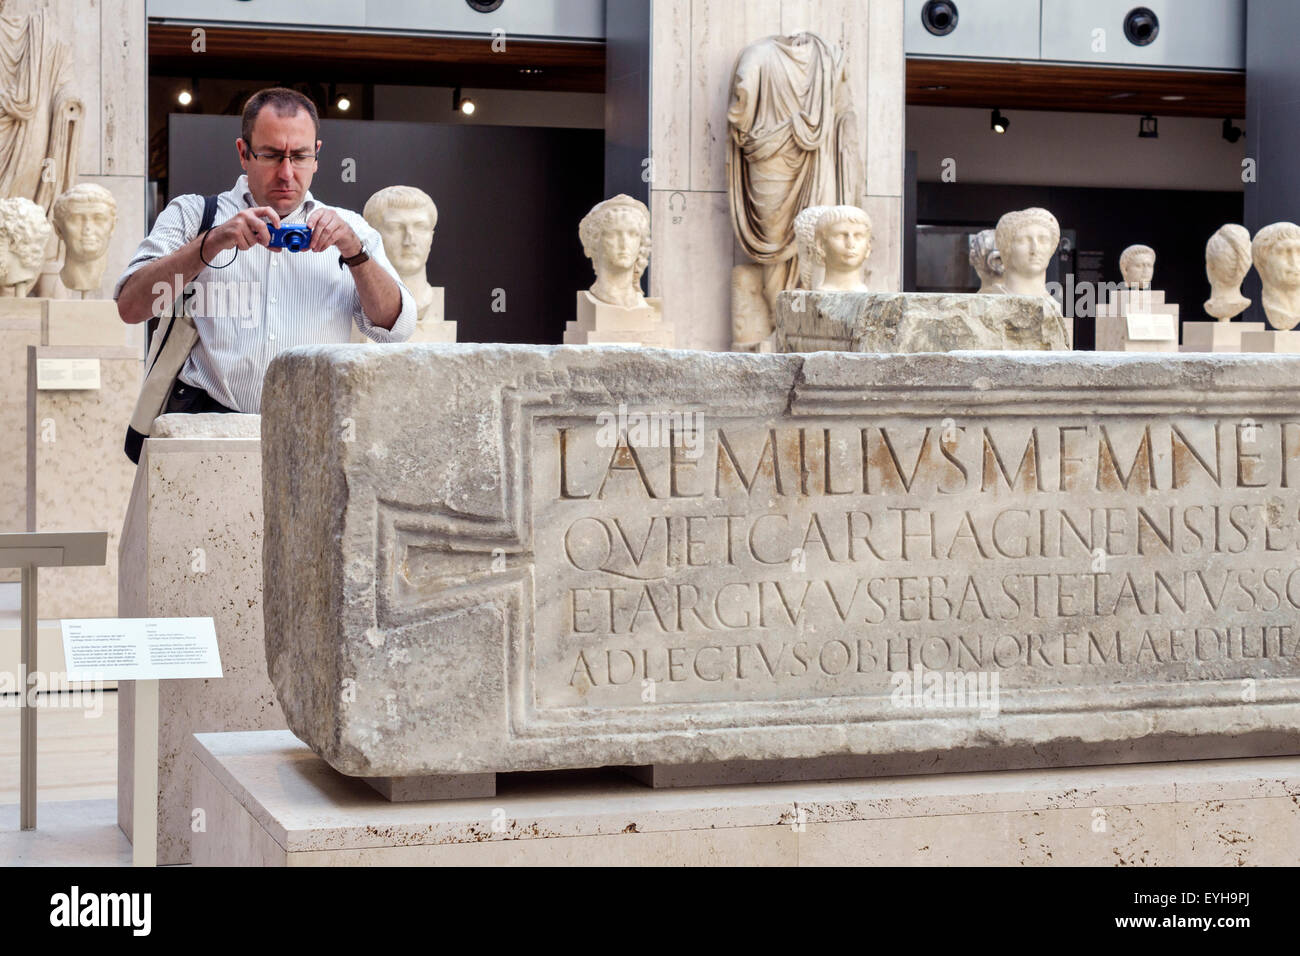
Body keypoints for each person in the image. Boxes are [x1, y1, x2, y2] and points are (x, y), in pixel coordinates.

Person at [114, 86, 414, 414]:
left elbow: (395, 330)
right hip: (212, 430)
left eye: (299, 156)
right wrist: (211, 242)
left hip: (311, 432)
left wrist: (355, 254)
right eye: (271, 155)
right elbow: (132, 307)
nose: (286, 174)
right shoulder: (193, 215)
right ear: (243, 153)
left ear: (316, 155)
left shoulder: (350, 230)